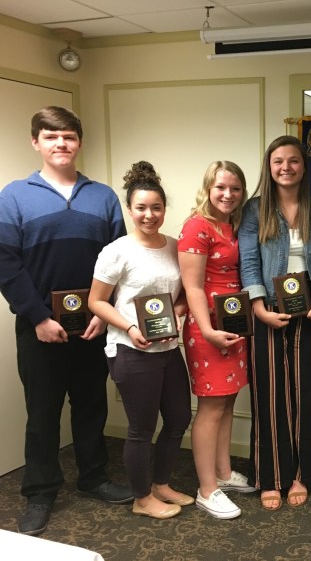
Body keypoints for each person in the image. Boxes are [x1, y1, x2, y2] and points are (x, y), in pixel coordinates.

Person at [0, 106, 133, 536]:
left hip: (93, 325)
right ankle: (40, 492)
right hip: (39, 327)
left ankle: (94, 477)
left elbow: (118, 262)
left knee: (91, 405)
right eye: (51, 136)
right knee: (42, 413)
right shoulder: (14, 196)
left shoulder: (104, 196)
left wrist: (106, 315)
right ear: (36, 142)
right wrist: (37, 316)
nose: (61, 144)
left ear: (79, 142)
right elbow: (5, 262)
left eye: (69, 136)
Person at [89, 161, 192, 520]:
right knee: (141, 429)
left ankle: (161, 484)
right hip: (131, 350)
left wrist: (179, 309)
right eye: (141, 208)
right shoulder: (117, 250)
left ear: (165, 209)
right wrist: (131, 328)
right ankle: (142, 497)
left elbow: (181, 294)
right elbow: (96, 301)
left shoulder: (176, 247)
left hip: (167, 348)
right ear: (130, 210)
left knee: (179, 419)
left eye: (156, 208)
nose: (149, 215)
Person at [238, 135, 311, 511]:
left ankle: (300, 475)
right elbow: (248, 261)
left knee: (308, 396)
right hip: (268, 310)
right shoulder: (254, 210)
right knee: (270, 396)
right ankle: (271, 477)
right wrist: (258, 307)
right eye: (278, 161)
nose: (286, 168)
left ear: (304, 166)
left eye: (293, 161)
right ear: (269, 166)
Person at [178, 161, 254, 520]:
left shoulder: (232, 224)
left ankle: (223, 474)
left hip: (233, 322)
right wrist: (207, 329)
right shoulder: (196, 226)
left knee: (225, 404)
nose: (228, 194)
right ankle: (207, 489)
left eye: (235, 189)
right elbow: (192, 286)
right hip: (208, 328)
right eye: (221, 187)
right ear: (208, 187)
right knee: (210, 408)